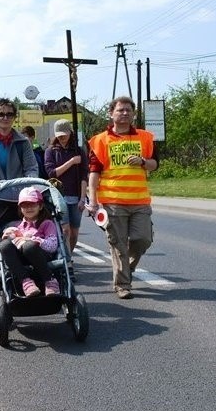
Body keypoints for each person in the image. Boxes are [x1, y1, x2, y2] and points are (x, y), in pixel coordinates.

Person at [87, 96, 159, 300]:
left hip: (140, 201)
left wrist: (143, 161)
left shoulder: (145, 137)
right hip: (113, 202)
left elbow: (155, 164)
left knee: (143, 239)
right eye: (120, 110)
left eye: (129, 110)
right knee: (118, 244)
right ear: (111, 113)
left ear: (134, 114)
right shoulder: (100, 140)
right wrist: (92, 201)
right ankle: (122, 285)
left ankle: (125, 269)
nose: (125, 113)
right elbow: (94, 173)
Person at [0, 98, 39, 225]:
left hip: (19, 197)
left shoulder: (23, 142)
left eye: (9, 114)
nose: (5, 117)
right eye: (0, 114)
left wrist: (29, 183)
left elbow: (31, 168)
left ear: (14, 117)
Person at [44, 118, 88, 277]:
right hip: (58, 197)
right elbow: (52, 173)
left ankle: (66, 255)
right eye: (59, 135)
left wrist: (83, 198)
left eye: (65, 134)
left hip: (76, 196)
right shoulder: (51, 151)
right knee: (65, 230)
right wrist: (71, 162)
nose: (62, 137)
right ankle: (67, 263)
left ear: (70, 133)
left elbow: (84, 175)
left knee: (74, 233)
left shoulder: (79, 151)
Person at [0, 187, 60, 297]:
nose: (28, 208)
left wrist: (33, 239)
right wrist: (7, 235)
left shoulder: (47, 224)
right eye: (25, 205)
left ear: (40, 206)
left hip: (40, 255)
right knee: (4, 245)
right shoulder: (16, 225)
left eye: (32, 204)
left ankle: (49, 280)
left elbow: (52, 246)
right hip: (20, 259)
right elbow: (10, 243)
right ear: (20, 208)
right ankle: (26, 282)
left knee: (29, 246)